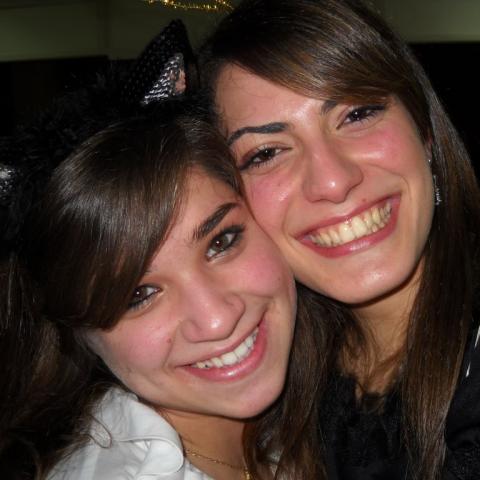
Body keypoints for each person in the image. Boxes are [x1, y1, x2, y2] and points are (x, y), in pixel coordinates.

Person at [198, 0, 480, 478]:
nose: (332, 181)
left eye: (357, 114)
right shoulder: (287, 350)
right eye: (265, 153)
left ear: (425, 132)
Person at [0, 103, 322, 479]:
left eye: (222, 242)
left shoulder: (327, 398)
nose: (217, 320)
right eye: (137, 295)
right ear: (77, 333)